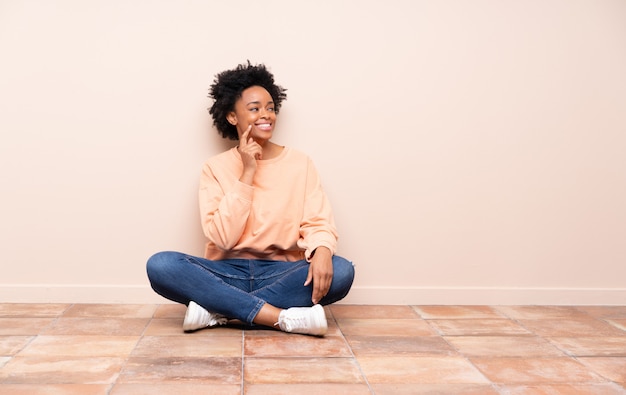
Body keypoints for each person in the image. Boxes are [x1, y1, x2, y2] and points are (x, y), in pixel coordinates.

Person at [146, 61, 355, 336]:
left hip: (282, 272)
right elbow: (223, 238)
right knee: (161, 265)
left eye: (270, 107)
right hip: (224, 272)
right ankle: (279, 317)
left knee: (341, 271)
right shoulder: (215, 167)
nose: (266, 115)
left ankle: (221, 312)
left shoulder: (300, 163)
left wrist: (323, 251)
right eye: (255, 109)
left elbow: (318, 221)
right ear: (232, 117)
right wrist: (247, 172)